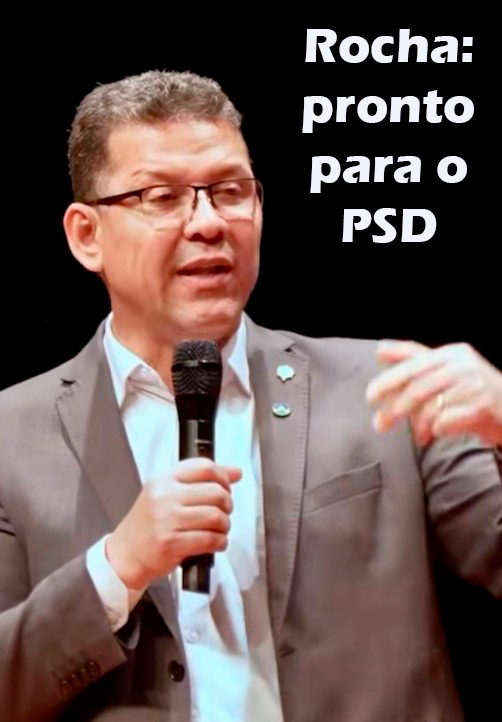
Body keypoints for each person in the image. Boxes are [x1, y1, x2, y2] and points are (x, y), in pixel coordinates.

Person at [0, 70, 500, 722]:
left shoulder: (384, 385)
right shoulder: (11, 435)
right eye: (162, 197)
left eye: (231, 191)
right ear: (86, 235)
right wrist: (116, 569)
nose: (209, 223)